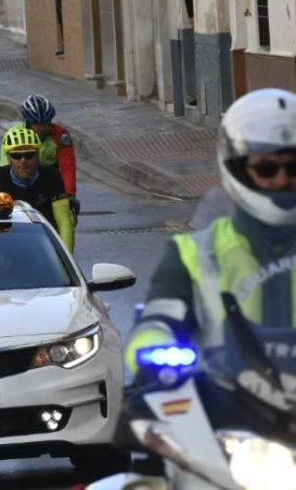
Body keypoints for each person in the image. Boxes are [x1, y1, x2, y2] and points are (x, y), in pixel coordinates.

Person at [123, 89, 296, 378]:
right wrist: (153, 352)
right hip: (227, 404)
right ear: (236, 167)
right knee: (139, 418)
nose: (282, 179)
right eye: (266, 168)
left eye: (293, 167)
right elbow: (158, 319)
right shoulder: (194, 252)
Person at [0, 128, 74, 251]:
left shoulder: (52, 175)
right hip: (7, 243)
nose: (23, 160)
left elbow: (64, 221)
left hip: (44, 243)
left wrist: (66, 258)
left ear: (38, 156)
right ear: (8, 158)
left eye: (29, 154)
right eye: (16, 156)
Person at [0, 95, 77, 199]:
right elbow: (5, 169)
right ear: (28, 123)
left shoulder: (61, 135)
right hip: (20, 185)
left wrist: (68, 195)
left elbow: (67, 167)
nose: (42, 128)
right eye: (36, 123)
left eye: (45, 123)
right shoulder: (13, 136)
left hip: (50, 187)